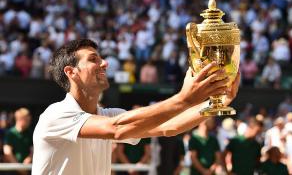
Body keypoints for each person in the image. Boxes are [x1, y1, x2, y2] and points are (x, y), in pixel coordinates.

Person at [32, 39, 240, 175]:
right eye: (93, 59)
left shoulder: (109, 115)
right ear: (71, 72)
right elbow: (117, 128)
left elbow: (169, 127)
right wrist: (183, 99)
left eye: (101, 58)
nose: (104, 63)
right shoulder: (55, 115)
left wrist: (217, 102)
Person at [4, 107, 33, 175]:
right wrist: (20, 168)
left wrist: (29, 158)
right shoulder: (10, 133)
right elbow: (7, 153)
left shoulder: (30, 133)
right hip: (12, 171)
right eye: (27, 120)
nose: (29, 122)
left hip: (27, 169)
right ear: (20, 119)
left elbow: (33, 150)